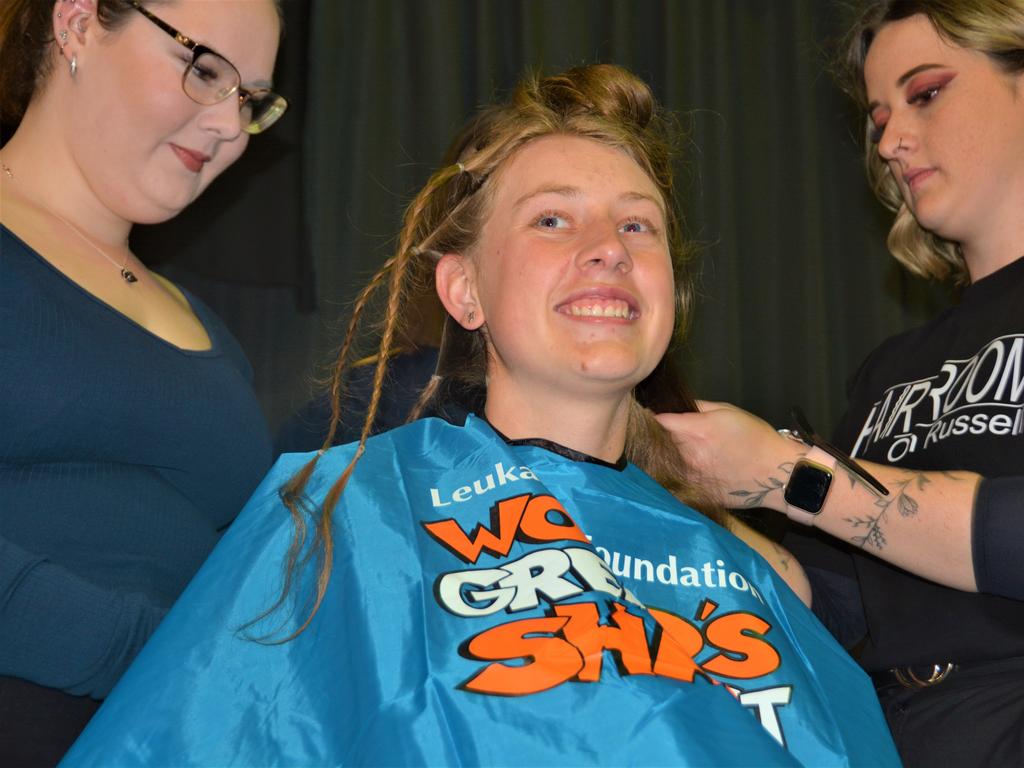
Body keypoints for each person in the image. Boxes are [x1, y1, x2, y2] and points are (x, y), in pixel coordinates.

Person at [62, 64, 899, 767]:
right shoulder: (345, 514)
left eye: (637, 224)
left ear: (669, 296)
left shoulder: (744, 575)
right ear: (464, 290)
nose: (609, 245)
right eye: (551, 218)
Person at [655, 1, 1024, 765]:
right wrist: (664, 490)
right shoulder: (890, 370)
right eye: (879, 116)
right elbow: (831, 607)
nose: (890, 141)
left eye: (925, 93)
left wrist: (787, 472)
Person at [0, 0, 287, 762]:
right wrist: (166, 659)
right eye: (203, 71)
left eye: (251, 98)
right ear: (79, 24)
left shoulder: (207, 329)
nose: (230, 126)